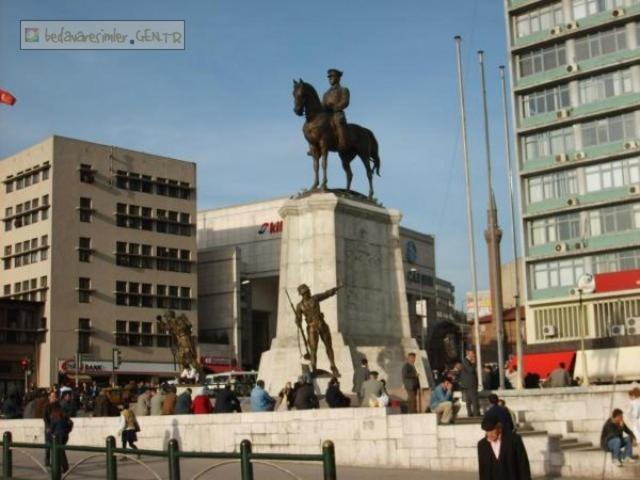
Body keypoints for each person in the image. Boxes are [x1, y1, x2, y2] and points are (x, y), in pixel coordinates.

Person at [295, 284, 341, 376]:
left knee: (329, 347)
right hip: (312, 328)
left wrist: (336, 288)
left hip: (322, 324)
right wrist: (298, 321)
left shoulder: (315, 298)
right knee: (313, 350)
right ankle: (314, 368)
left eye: (308, 291)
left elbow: (326, 294)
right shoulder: (299, 306)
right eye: (306, 292)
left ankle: (333, 366)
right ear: (302, 294)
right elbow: (298, 318)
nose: (308, 292)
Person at [478, 413, 531, 480]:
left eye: (492, 430)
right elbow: (482, 470)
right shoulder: (482, 445)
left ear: (499, 428)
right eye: (487, 431)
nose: (489, 434)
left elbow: (523, 464)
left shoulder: (514, 440)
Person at [48, 404, 73, 473]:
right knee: (61, 451)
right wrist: (68, 431)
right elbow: (70, 423)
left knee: (57, 452)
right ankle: (63, 466)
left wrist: (49, 433)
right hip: (65, 436)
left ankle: (59, 467)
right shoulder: (64, 417)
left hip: (57, 436)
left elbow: (51, 429)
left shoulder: (55, 417)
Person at [460, 348, 480, 417]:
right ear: (469, 353)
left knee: (468, 400)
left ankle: (470, 413)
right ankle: (475, 414)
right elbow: (471, 370)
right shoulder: (466, 361)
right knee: (473, 399)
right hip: (470, 384)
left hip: (468, 384)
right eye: (473, 353)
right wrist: (474, 363)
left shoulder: (466, 361)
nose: (474, 355)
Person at [43, 390, 60, 467]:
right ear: (49, 397)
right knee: (48, 444)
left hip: (56, 427)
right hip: (49, 427)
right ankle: (47, 461)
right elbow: (45, 417)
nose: (53, 398)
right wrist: (48, 426)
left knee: (55, 445)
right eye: (52, 396)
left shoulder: (57, 405)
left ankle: (54, 461)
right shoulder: (47, 405)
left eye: (55, 396)